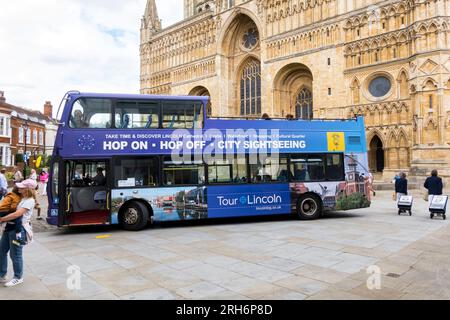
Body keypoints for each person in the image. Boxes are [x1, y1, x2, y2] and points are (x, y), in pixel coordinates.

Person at [0, 179, 37, 287]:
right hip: (9, 227)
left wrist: (1, 219)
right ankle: (2, 275)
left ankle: (18, 277)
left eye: (22, 187)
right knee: (1, 251)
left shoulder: (29, 200)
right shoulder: (22, 198)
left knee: (15, 254)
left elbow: (17, 214)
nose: (18, 188)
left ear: (27, 189)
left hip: (18, 230)